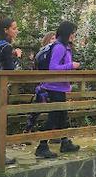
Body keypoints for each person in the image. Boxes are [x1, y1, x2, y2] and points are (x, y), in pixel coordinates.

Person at [35, 21, 81, 158]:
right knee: (53, 117)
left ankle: (65, 142)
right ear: (68, 33)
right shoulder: (59, 47)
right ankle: (42, 146)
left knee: (62, 116)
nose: (74, 35)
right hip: (53, 87)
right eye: (73, 33)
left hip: (59, 87)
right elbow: (53, 68)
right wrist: (71, 65)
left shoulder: (64, 46)